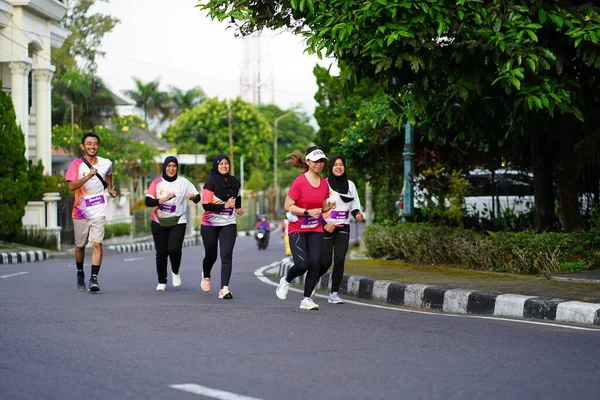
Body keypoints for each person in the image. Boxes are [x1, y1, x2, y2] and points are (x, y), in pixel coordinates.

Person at [275, 146, 335, 310]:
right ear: (308, 161)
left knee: (316, 263)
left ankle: (306, 299)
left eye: (321, 161)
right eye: (316, 161)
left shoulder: (324, 184)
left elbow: (321, 207)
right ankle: (286, 280)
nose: (319, 164)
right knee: (302, 264)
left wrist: (328, 206)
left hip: (315, 229)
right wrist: (307, 212)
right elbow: (288, 206)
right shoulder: (299, 182)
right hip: (298, 228)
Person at [66, 132, 117, 292]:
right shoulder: (76, 165)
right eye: (89, 143)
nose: (92, 146)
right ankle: (80, 272)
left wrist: (109, 188)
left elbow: (108, 174)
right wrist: (88, 177)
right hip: (80, 211)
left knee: (97, 244)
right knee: (80, 246)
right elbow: (71, 186)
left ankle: (93, 279)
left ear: (98, 146)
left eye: (95, 143)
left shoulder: (106, 162)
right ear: (83, 146)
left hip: (98, 209)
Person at [145, 156, 201, 291]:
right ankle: (162, 281)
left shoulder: (184, 182)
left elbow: (197, 196)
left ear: (177, 168)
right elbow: (148, 201)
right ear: (165, 167)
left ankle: (175, 271)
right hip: (159, 220)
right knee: (161, 252)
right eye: (168, 166)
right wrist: (164, 199)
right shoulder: (157, 183)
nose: (171, 168)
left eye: (174, 166)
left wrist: (194, 198)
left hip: (178, 220)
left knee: (174, 249)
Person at [317, 155, 364, 304]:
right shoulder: (323, 184)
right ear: (331, 167)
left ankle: (334, 293)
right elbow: (316, 207)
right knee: (325, 262)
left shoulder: (350, 185)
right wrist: (324, 223)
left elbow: (355, 205)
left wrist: (357, 214)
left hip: (343, 226)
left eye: (341, 164)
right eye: (335, 164)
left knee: (339, 260)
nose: (339, 167)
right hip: (327, 227)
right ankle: (312, 282)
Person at [200, 154, 244, 299]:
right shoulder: (210, 182)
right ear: (216, 166)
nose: (224, 166)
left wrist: (238, 208)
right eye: (221, 164)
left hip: (228, 223)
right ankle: (206, 275)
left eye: (226, 163)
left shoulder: (234, 182)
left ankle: (224, 288)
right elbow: (206, 205)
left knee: (226, 255)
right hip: (209, 224)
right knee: (211, 256)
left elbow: (237, 198)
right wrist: (225, 205)